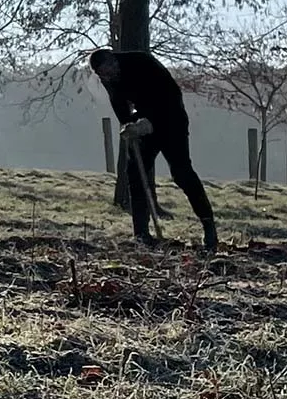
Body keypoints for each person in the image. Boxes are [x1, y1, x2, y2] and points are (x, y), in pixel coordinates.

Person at [90, 47, 218, 252]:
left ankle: (209, 227)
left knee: (182, 173)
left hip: (171, 119)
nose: (110, 75)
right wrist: (128, 124)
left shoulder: (143, 62)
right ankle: (141, 233)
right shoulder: (107, 76)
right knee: (135, 174)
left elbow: (171, 95)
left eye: (111, 70)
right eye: (104, 74)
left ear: (115, 59)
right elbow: (118, 102)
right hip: (144, 125)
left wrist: (151, 121)